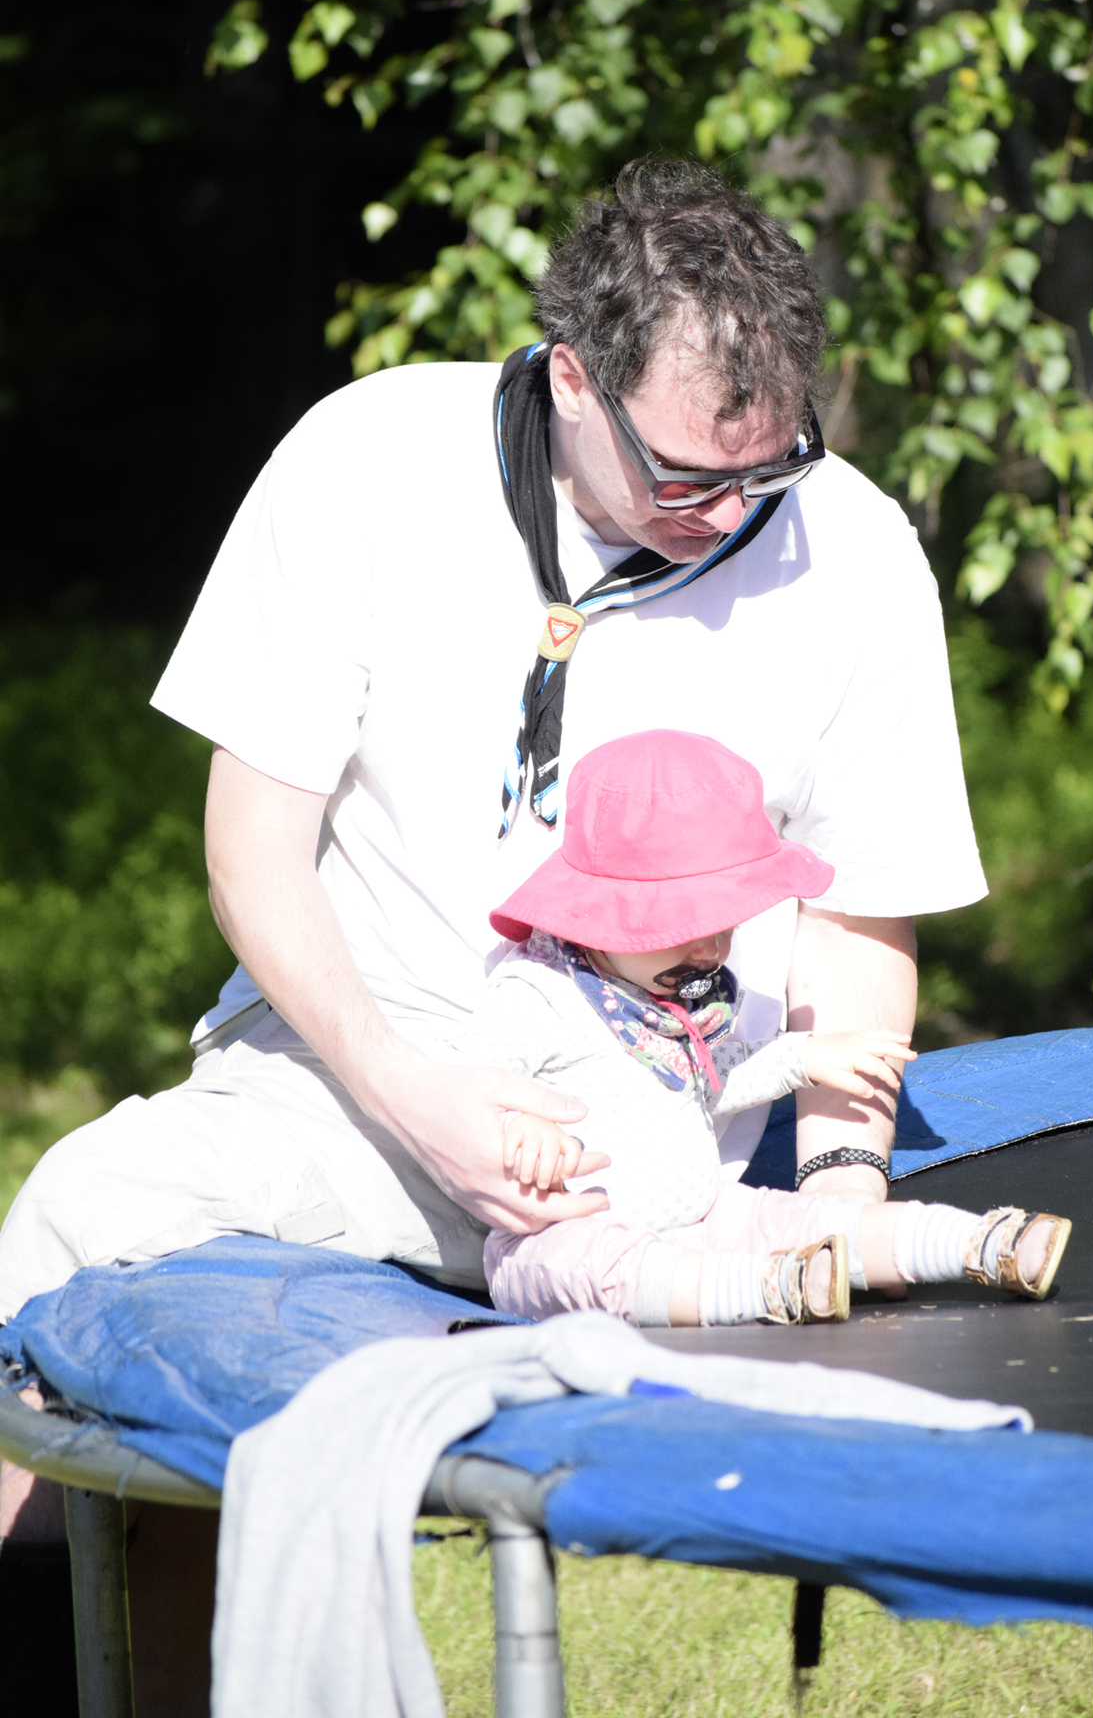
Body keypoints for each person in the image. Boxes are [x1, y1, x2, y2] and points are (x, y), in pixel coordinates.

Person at [0, 159, 989, 1712]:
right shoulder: (367, 459)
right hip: (351, 1086)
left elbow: (864, 919)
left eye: (774, 464)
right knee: (81, 1222)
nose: (735, 512)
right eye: (686, 475)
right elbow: (252, 857)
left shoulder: (851, 550)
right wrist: (419, 1099)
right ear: (571, 378)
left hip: (650, 1146)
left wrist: (842, 1189)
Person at [467, 730, 1069, 1326]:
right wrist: (520, 1129)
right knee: (593, 1266)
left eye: (725, 927)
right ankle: (766, 1286)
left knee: (803, 1221)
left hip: (702, 1219)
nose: (710, 951)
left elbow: (713, 1078)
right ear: (601, 912)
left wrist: (804, 1057)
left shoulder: (672, 1002)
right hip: (562, 1233)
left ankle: (975, 1243)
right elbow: (470, 1100)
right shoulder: (539, 994)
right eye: (686, 928)